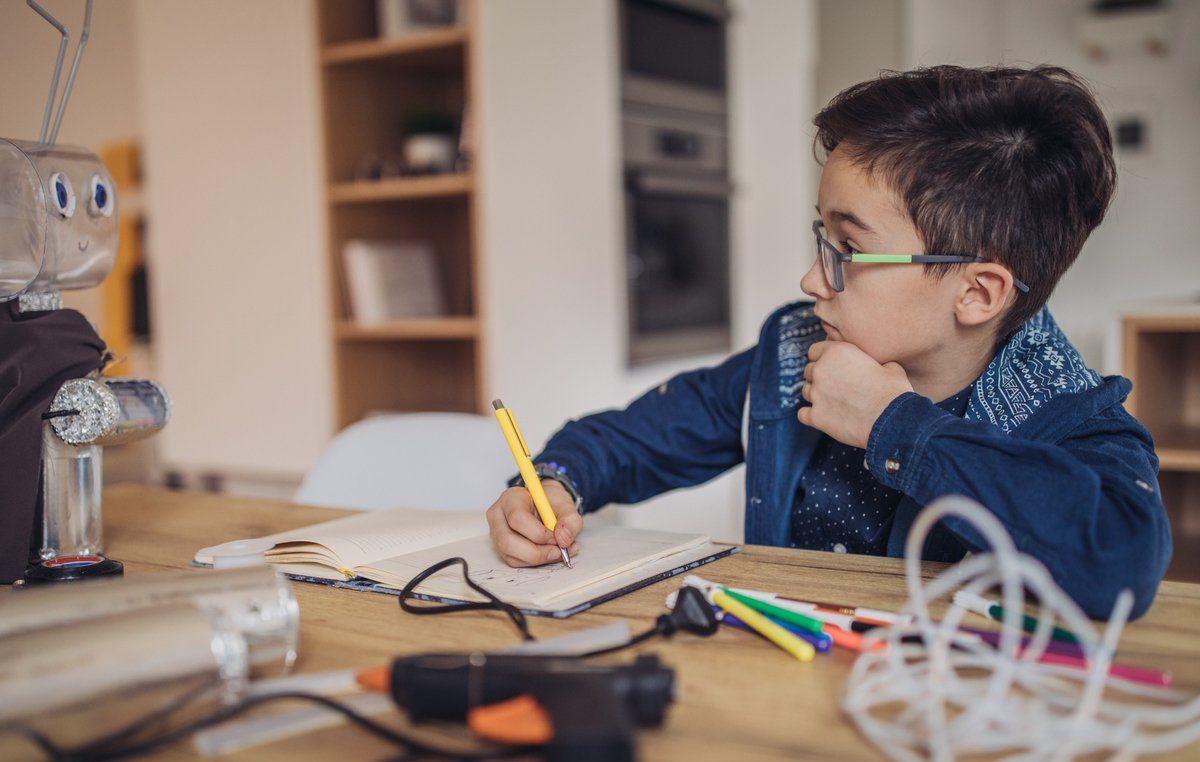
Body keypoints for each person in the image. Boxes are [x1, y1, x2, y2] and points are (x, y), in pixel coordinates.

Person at [485, 65, 1171, 620]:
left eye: (850, 248)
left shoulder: (1065, 409)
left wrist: (896, 427)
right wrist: (550, 483)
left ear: (978, 293)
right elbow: (635, 438)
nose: (813, 278)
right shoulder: (795, 349)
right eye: (824, 238)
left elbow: (1121, 562)